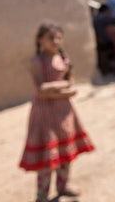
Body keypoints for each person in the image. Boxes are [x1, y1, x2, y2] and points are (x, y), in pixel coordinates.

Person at [19, 22, 94, 202]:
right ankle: (42, 196)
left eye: (59, 37)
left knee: (66, 150)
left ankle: (62, 186)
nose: (56, 41)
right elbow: (40, 91)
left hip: (64, 112)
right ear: (40, 40)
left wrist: (55, 88)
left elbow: (70, 85)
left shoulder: (63, 59)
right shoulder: (36, 62)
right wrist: (61, 88)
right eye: (51, 38)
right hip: (44, 114)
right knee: (47, 157)